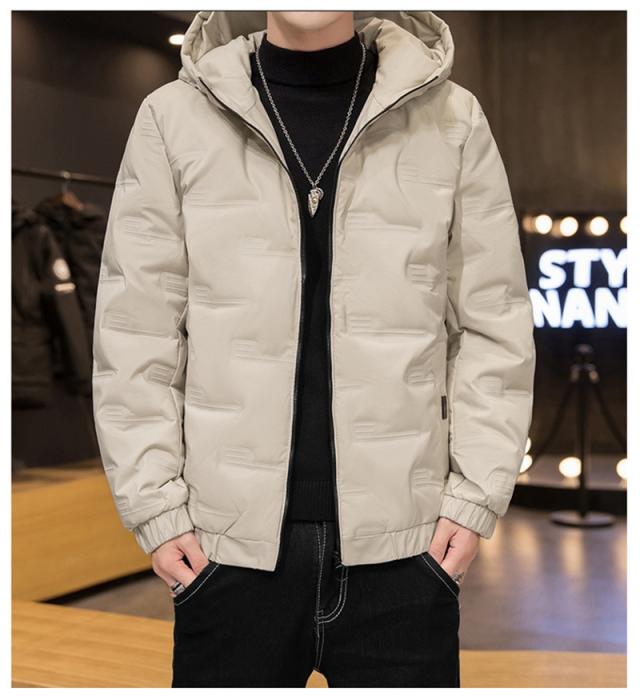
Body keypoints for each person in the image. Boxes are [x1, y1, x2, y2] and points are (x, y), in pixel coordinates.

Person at [92, 10, 535, 688]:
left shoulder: (451, 118)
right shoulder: (173, 117)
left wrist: (473, 499)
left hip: (408, 554)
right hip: (226, 554)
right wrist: (155, 507)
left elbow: (492, 324)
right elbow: (135, 332)